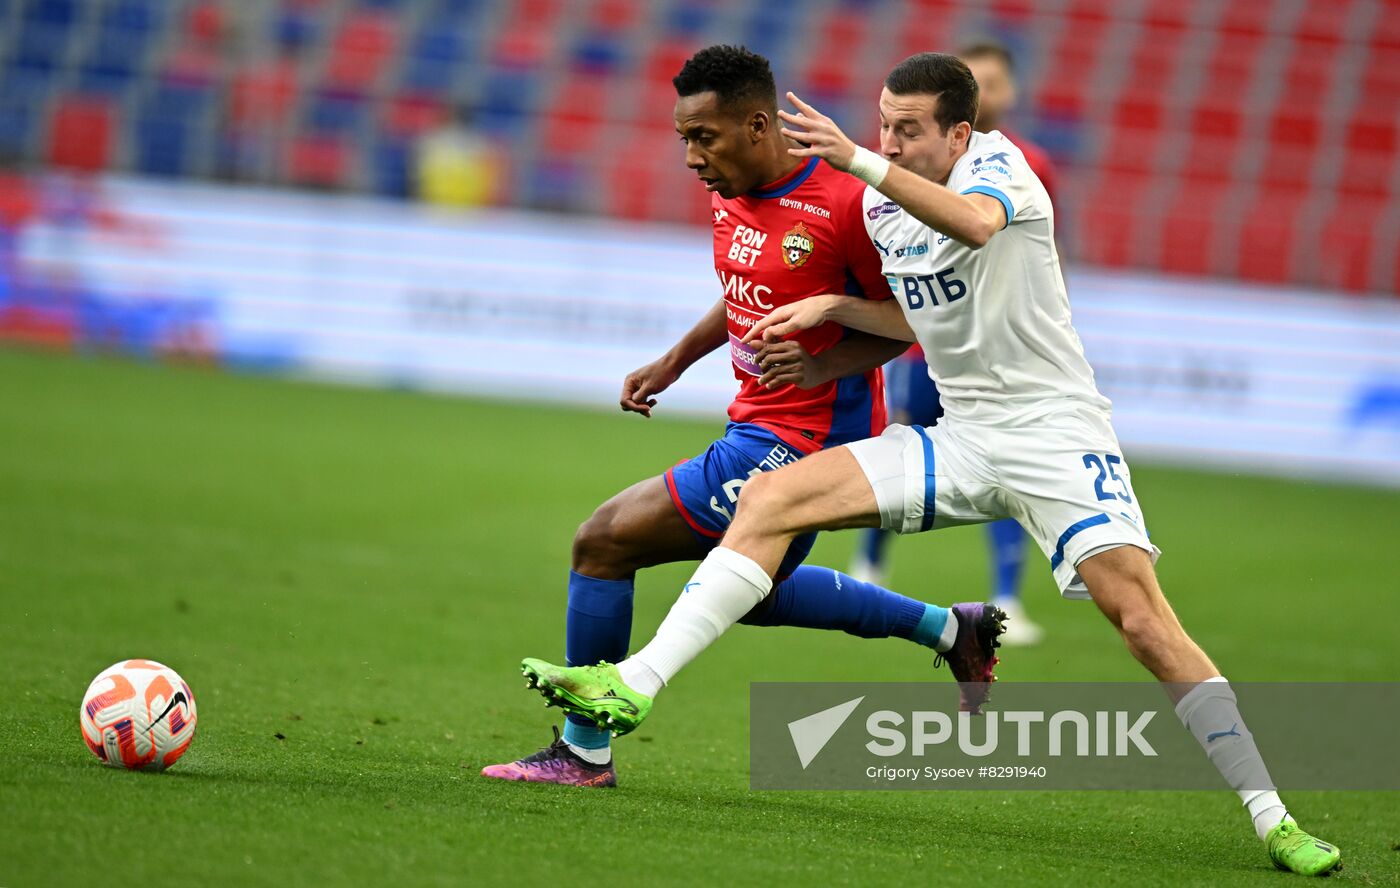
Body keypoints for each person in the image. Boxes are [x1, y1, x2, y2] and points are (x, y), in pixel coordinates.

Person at [516, 52, 1342, 877]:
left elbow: (976, 225)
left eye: (908, 130)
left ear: (958, 131)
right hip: (962, 432)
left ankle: (1274, 820)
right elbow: (898, 315)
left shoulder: (1001, 167)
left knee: (1144, 625)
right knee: (769, 502)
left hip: (1057, 435)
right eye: (883, 125)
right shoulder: (879, 207)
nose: (892, 143)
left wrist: (856, 162)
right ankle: (634, 685)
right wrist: (834, 320)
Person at [482, 46, 1006, 789]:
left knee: (603, 542)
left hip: (805, 439)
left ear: (758, 125)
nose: (692, 157)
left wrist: (824, 363)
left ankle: (583, 751)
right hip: (755, 421)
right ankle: (952, 627)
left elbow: (914, 320)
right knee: (745, 591)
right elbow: (744, 286)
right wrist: (677, 358)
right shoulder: (731, 186)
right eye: (684, 139)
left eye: (705, 137)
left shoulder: (847, 202)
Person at [850, 39, 1053, 647]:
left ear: (1008, 94)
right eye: (977, 81)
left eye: (995, 82)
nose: (989, 92)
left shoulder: (1023, 163)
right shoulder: (901, 165)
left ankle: (1007, 598)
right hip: (923, 350)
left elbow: (1018, 240)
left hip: (999, 363)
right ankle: (868, 566)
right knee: (903, 440)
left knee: (1011, 477)